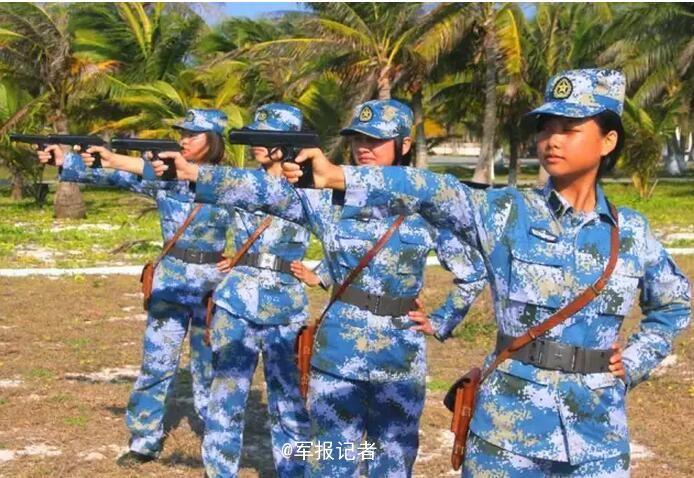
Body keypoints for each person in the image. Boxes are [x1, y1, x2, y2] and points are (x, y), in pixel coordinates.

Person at [283, 69, 692, 477]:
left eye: (570, 128)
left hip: (597, 439)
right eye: (545, 127)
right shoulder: (506, 212)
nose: (552, 139)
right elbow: (430, 189)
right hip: (507, 434)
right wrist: (336, 176)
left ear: (608, 140)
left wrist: (635, 361)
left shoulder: (631, 232)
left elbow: (674, 302)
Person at [153, 99, 488, 477]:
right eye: (358, 138)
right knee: (332, 460)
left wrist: (442, 320)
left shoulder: (424, 206)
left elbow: (472, 271)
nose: (364, 147)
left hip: (399, 355)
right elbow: (264, 191)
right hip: (337, 353)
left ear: (405, 145)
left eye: (376, 140)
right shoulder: (326, 199)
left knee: (392, 460)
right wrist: (198, 175)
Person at [37, 109, 232, 467]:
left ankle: (216, 439)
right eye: (182, 133)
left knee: (209, 367)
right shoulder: (165, 178)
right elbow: (114, 176)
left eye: (193, 134)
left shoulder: (228, 181)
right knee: (157, 363)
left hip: (213, 286)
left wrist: (241, 257)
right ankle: (145, 439)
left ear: (214, 141)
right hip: (170, 282)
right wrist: (65, 162)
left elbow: (265, 215)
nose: (184, 139)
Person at [199, 104, 313, 478]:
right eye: (254, 138)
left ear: (287, 144)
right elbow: (191, 178)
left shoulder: (311, 190)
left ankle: (294, 471)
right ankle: (218, 471)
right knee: (226, 395)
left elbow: (349, 238)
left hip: (286, 308)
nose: (255, 146)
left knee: (288, 400)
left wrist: (323, 273)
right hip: (236, 303)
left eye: (264, 139)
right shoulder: (242, 182)